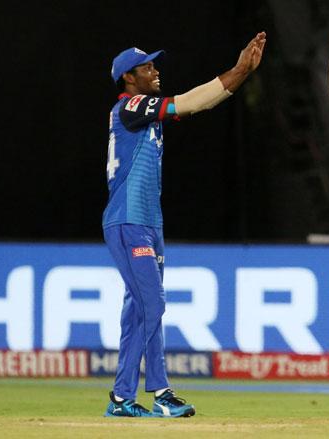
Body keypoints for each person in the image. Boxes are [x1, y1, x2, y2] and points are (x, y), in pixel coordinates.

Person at [103, 32, 266, 418]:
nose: (155, 71)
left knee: (140, 310)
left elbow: (196, 105)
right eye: (147, 67)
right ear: (130, 78)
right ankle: (152, 392)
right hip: (128, 219)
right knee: (152, 303)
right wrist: (240, 68)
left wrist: (241, 75)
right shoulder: (131, 106)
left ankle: (128, 398)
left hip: (146, 222)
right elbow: (190, 101)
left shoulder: (143, 109)